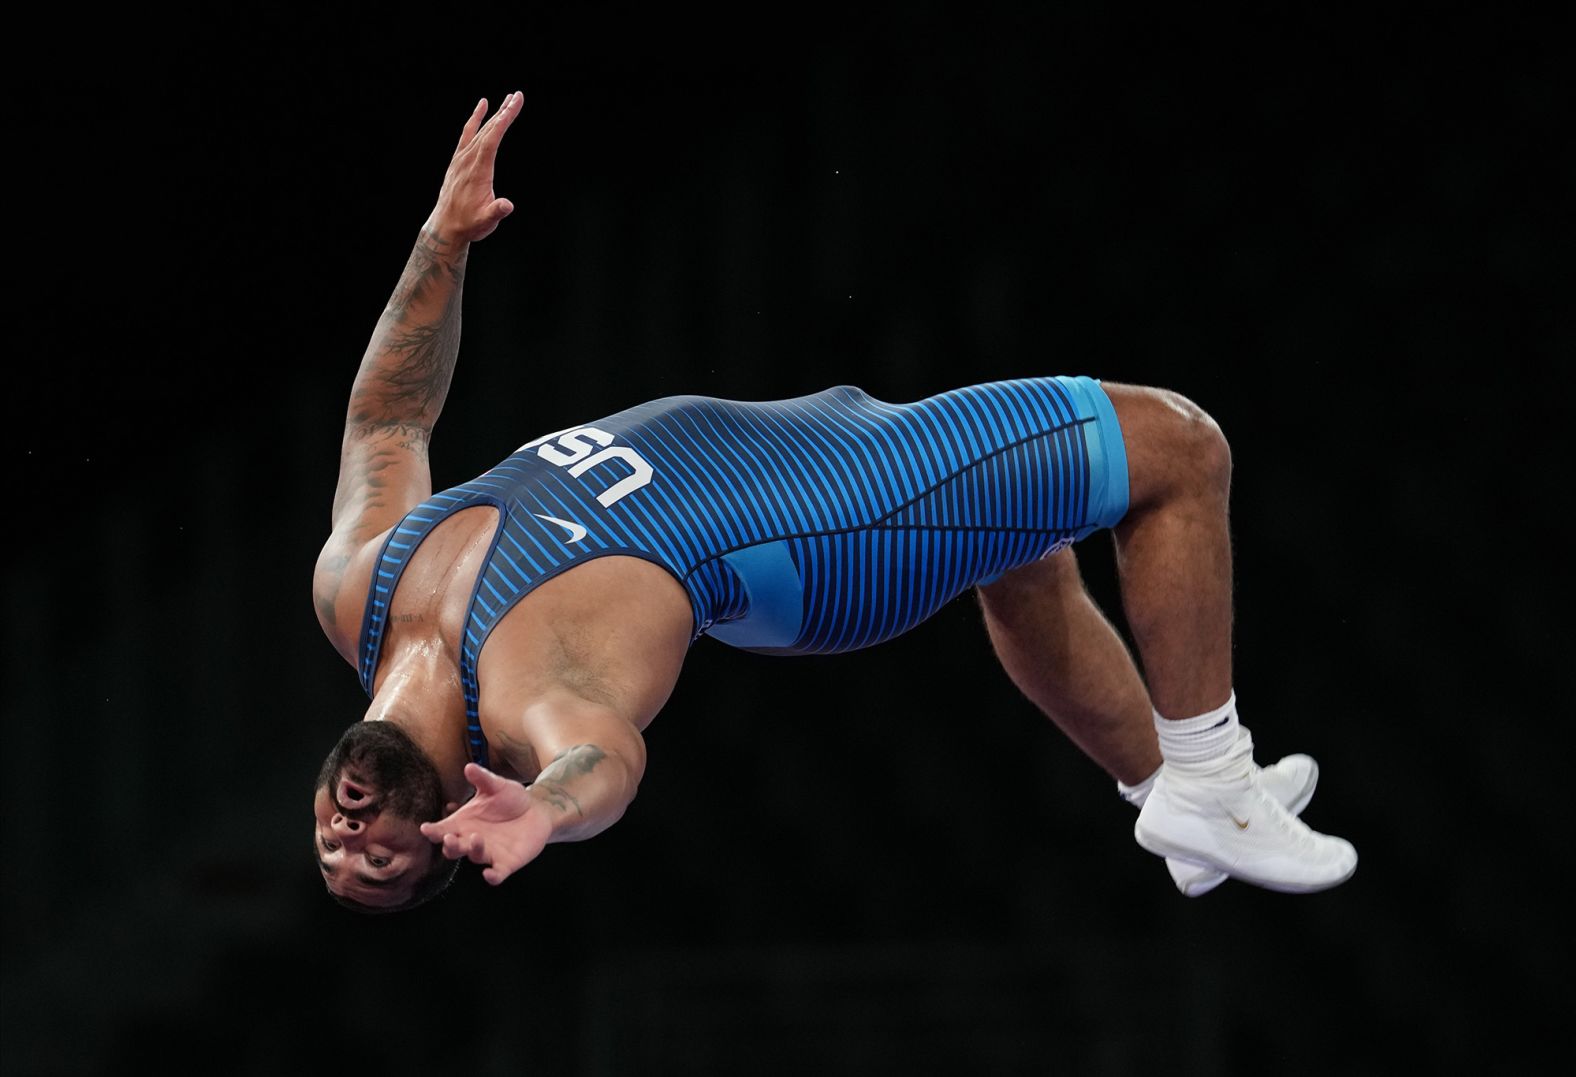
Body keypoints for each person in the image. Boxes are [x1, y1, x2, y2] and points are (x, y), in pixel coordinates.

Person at [310, 92, 1357, 912]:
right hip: (832, 531)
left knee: (1022, 548)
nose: (347, 844)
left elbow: (387, 424)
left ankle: (1158, 797)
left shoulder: (355, 592)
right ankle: (1212, 781)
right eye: (381, 868)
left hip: (797, 446)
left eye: (332, 852)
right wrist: (544, 811)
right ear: (451, 817)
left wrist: (439, 248)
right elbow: (604, 762)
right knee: (1176, 447)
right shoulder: (534, 702)